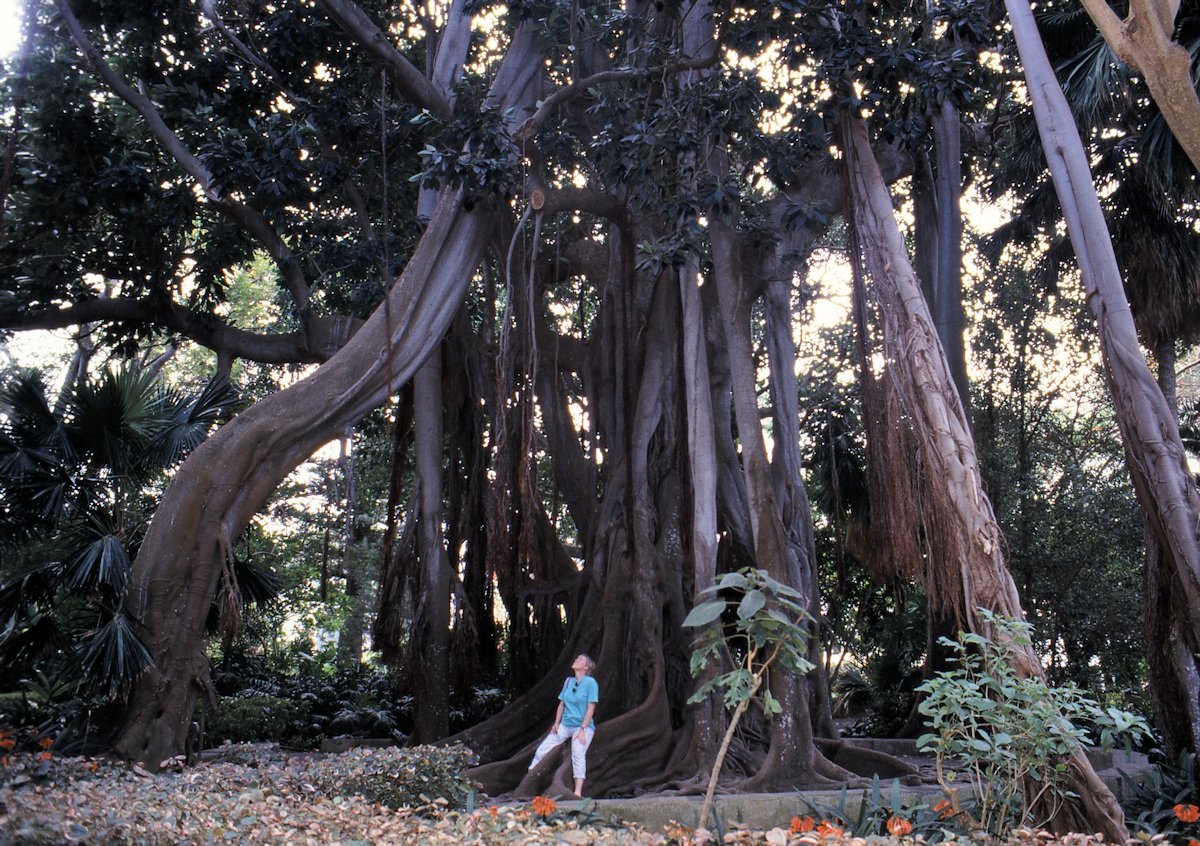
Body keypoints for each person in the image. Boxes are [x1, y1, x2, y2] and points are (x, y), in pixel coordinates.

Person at [528, 653, 598, 796]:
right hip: (565, 725)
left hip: (582, 727)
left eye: (580, 659)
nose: (576, 660)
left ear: (586, 667)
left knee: (578, 753)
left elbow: (591, 708)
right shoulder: (569, 682)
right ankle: (530, 778)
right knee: (543, 748)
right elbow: (562, 704)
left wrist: (583, 729)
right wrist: (556, 724)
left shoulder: (590, 683)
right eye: (576, 658)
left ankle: (577, 791)